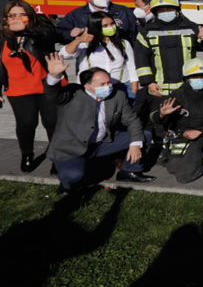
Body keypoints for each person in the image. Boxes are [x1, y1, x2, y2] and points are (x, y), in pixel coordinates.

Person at [45, 53, 155, 193]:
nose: (108, 86)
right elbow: (53, 94)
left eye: (109, 82)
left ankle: (129, 172)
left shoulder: (118, 96)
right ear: (87, 86)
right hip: (70, 148)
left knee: (143, 136)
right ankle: (67, 184)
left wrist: (134, 145)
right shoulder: (73, 93)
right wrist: (54, 77)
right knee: (74, 176)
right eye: (102, 84)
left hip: (101, 143)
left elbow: (132, 120)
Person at [150, 58, 203, 184]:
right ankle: (195, 159)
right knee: (185, 177)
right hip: (185, 136)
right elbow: (155, 118)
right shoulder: (177, 95)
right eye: (194, 76)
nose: (199, 79)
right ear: (187, 78)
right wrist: (161, 115)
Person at [0, 1, 58, 172]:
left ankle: (56, 157)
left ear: (30, 16)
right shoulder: (3, 38)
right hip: (18, 89)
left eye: (22, 14)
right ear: (6, 19)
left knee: (52, 122)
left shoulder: (39, 32)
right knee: (26, 123)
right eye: (12, 15)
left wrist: (26, 30)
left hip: (46, 86)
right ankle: (27, 154)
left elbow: (48, 35)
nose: (17, 18)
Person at [134, 0, 203, 98]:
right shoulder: (146, 32)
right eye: (161, 10)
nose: (166, 13)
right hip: (159, 90)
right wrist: (149, 83)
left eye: (170, 9)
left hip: (188, 89)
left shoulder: (192, 27)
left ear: (177, 10)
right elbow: (141, 61)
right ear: (155, 12)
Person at [60, 12, 138, 98]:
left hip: (119, 87)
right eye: (105, 26)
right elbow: (65, 55)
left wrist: (133, 90)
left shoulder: (124, 43)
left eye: (112, 24)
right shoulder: (85, 44)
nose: (110, 27)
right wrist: (78, 40)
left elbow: (132, 67)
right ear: (96, 27)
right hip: (92, 89)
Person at [55, 0, 138, 42]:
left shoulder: (123, 11)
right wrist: (70, 34)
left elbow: (135, 34)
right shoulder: (77, 15)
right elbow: (59, 34)